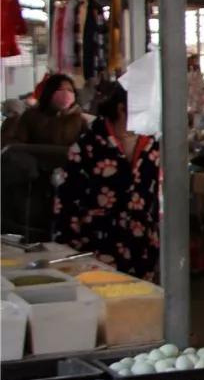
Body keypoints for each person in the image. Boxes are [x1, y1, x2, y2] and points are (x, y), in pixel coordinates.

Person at [54, 82, 160, 280]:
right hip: (97, 241)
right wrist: (64, 246)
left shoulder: (153, 146)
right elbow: (66, 199)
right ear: (122, 108)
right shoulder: (88, 146)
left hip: (142, 245)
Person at [9, 73, 88, 147]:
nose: (66, 94)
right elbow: (17, 145)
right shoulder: (31, 116)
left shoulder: (79, 120)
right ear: (49, 92)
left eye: (70, 90)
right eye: (60, 89)